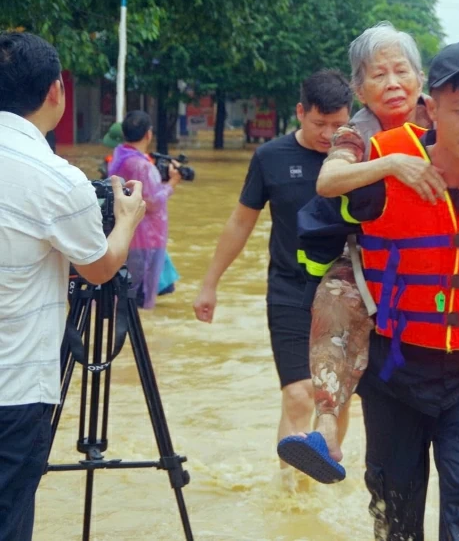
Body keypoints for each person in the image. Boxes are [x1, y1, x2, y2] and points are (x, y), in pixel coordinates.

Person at [277, 31, 459, 483]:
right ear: (359, 88)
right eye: (378, 74)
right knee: (336, 297)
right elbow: (329, 181)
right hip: (373, 258)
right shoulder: (358, 132)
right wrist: (393, 164)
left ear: (423, 83)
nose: (392, 83)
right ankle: (325, 429)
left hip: (458, 287)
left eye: (401, 71)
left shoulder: (455, 112)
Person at [0, 32, 146, 540]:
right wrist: (125, 219)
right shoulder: (57, 179)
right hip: (14, 389)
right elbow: (100, 268)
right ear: (56, 91)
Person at [191, 69, 352, 477]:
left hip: (347, 293)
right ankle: (290, 492)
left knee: (336, 401)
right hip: (288, 288)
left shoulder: (357, 161)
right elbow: (240, 223)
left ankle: (316, 483)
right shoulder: (271, 158)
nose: (329, 134)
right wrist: (209, 283)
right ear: (300, 112)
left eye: (339, 124)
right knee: (299, 396)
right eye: (320, 123)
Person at [107, 110, 181, 310]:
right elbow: (152, 202)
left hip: (125, 232)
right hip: (146, 237)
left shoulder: (119, 157)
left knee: (125, 292)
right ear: (149, 134)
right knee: (141, 298)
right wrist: (172, 183)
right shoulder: (142, 165)